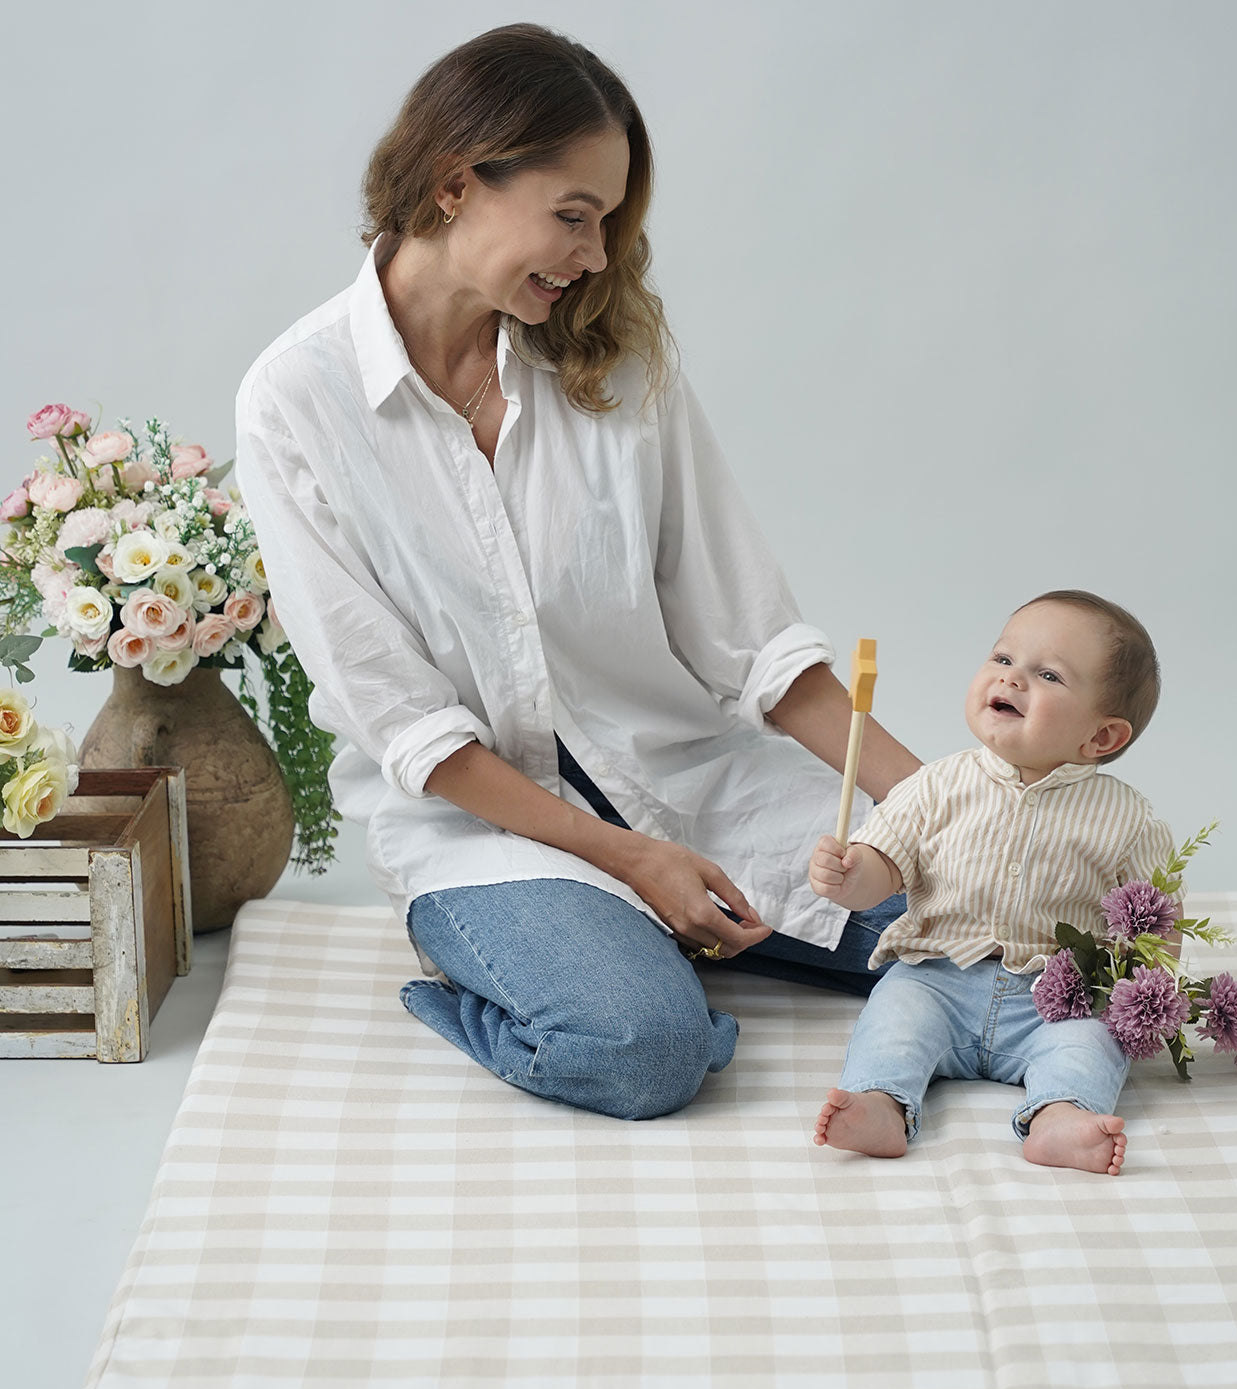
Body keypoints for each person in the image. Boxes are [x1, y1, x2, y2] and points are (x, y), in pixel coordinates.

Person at [234, 24, 921, 1121]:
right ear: (457, 184)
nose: (597, 257)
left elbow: (753, 644)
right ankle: (594, 975)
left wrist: (950, 804)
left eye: (607, 222)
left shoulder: (618, 358)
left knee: (991, 932)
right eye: (573, 215)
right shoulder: (293, 401)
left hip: (687, 777)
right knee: (642, 1050)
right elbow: (408, 726)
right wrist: (630, 861)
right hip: (483, 834)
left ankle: (679, 941)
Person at [808, 590, 1174, 1175]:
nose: (1013, 679)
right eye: (1003, 659)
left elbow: (1157, 922)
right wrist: (849, 876)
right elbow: (882, 871)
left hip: (1057, 999)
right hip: (937, 979)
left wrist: (1147, 995)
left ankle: (1061, 1119)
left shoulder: (1129, 820)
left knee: (1091, 1044)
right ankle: (881, 1103)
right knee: (893, 1015)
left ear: (1102, 738)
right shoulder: (937, 785)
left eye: (1048, 674)